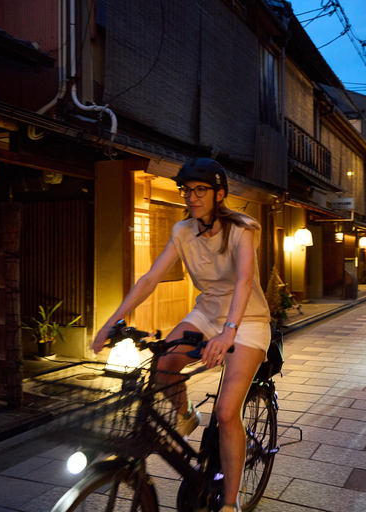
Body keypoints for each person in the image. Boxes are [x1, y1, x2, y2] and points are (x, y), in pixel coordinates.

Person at [91, 158, 271, 512]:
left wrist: (228, 333)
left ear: (219, 194)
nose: (191, 197)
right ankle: (186, 412)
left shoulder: (243, 228)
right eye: (186, 190)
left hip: (247, 320)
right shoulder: (182, 231)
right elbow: (150, 278)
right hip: (206, 313)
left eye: (200, 190)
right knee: (162, 364)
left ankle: (230, 504)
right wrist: (113, 320)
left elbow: (244, 281)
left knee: (226, 412)